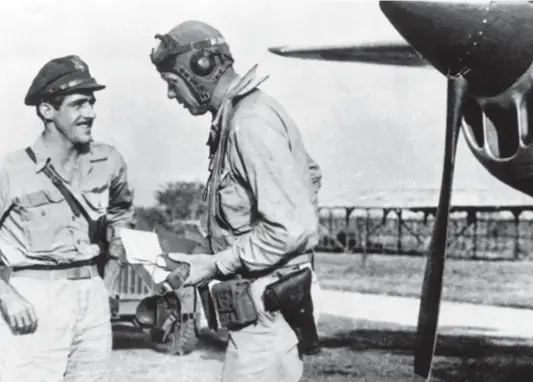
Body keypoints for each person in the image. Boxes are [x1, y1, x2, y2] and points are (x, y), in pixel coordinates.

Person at [149, 20, 323, 382]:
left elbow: (292, 227)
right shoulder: (240, 119)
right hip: (261, 306)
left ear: (200, 68)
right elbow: (309, 176)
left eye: (171, 83)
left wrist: (217, 263)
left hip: (267, 309)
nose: (171, 95)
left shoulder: (250, 122)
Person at [0, 55, 135, 381]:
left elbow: (122, 215)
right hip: (34, 296)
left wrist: (110, 281)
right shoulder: (11, 171)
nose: (90, 113)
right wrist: (7, 295)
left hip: (92, 294)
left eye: (91, 103)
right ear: (47, 110)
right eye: (78, 104)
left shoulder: (108, 161)